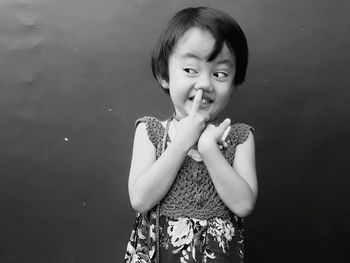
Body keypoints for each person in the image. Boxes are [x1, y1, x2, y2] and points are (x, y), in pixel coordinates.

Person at [124, 6, 258, 263]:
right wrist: (183, 141)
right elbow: (140, 199)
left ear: (233, 84)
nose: (205, 84)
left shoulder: (239, 137)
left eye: (219, 74)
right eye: (190, 70)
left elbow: (243, 205)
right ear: (165, 75)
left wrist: (209, 149)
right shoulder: (150, 131)